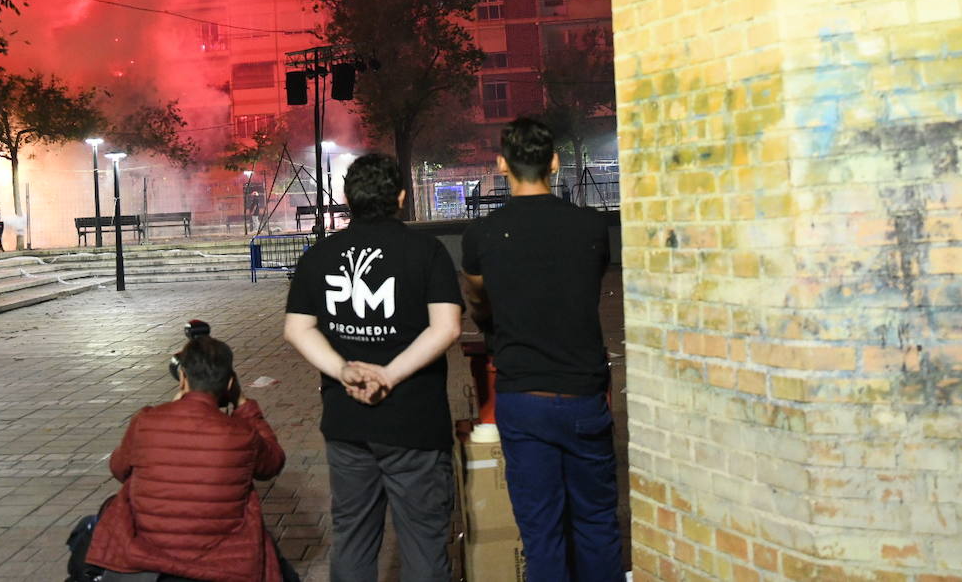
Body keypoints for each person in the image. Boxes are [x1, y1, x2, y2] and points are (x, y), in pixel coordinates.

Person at [284, 152, 463, 582]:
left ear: (348, 199)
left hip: (348, 423)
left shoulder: (320, 256)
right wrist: (392, 374)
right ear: (400, 197)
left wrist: (343, 369)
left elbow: (297, 328)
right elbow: (447, 327)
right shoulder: (427, 252)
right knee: (422, 540)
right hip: (415, 423)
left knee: (353, 538)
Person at [460, 117, 622, 582]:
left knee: (541, 531)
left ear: (501, 164)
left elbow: (477, 299)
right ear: (553, 161)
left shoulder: (483, 236)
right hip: (583, 392)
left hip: (522, 396)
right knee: (595, 523)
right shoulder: (590, 228)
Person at [84, 334, 294, 582]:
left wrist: (170, 409)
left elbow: (119, 469)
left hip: (144, 555)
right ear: (229, 385)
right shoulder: (243, 432)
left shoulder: (146, 421)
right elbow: (273, 462)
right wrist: (243, 405)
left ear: (183, 377)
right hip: (225, 563)